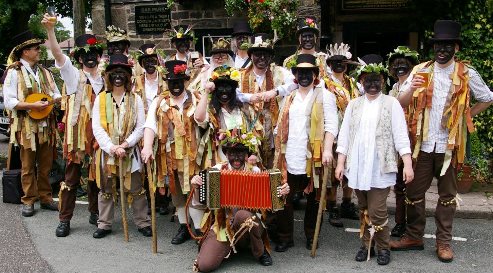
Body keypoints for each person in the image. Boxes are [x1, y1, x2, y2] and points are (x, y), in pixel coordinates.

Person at [390, 20, 493, 263]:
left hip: (449, 146)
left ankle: (443, 242)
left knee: (447, 196)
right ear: (433, 47)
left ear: (456, 48)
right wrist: (409, 88)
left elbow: (488, 98)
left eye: (447, 45)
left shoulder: (467, 73)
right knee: (413, 192)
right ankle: (414, 236)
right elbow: (399, 105)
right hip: (423, 145)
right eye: (438, 45)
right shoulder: (420, 70)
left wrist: (465, 115)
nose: (442, 50)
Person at [334, 55, 414, 265]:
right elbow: (344, 136)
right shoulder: (353, 104)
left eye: (376, 80)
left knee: (377, 211)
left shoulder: (392, 103)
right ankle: (365, 245)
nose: (372, 84)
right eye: (367, 80)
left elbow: (400, 135)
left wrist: (407, 164)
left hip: (380, 168)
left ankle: (383, 247)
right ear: (361, 81)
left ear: (383, 80)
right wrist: (341, 163)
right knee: (363, 209)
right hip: (358, 167)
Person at [191, 130, 290, 272]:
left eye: (240, 154)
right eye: (232, 153)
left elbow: (274, 204)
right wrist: (196, 187)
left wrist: (282, 193)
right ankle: (232, 246)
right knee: (205, 266)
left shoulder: (256, 172)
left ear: (246, 155)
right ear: (226, 154)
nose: (236, 158)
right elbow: (200, 203)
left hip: (250, 223)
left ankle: (260, 251)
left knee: (243, 215)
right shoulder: (216, 171)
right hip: (223, 225)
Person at [42, 15, 105, 237]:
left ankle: (95, 212)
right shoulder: (72, 75)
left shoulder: (105, 79)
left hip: (98, 136)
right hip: (77, 136)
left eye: (93, 55)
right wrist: (51, 31)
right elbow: (58, 55)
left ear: (99, 56)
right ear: (79, 59)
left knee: (96, 176)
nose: (90, 58)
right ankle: (64, 219)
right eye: (85, 55)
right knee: (70, 178)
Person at [273, 54, 338, 252]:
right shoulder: (289, 97)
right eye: (300, 72)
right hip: (290, 154)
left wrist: (327, 149)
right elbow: (279, 126)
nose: (304, 76)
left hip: (314, 156)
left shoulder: (325, 95)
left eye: (308, 72)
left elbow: (331, 125)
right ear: (295, 75)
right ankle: (285, 237)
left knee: (314, 199)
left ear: (314, 74)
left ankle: (312, 235)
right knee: (284, 196)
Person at [141, 60, 205, 244]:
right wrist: (146, 146)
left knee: (196, 191)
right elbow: (150, 126)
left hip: (194, 156)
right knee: (177, 193)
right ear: (166, 83)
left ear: (186, 81)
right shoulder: (159, 101)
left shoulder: (196, 98)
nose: (176, 86)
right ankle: (184, 227)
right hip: (170, 156)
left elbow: (205, 122)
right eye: (172, 83)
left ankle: (199, 230)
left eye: (179, 82)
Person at [91, 54, 151, 239]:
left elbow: (140, 127)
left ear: (128, 76)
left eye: (122, 72)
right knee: (106, 188)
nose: (118, 76)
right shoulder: (101, 99)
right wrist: (111, 147)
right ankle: (104, 224)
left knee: (136, 187)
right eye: (114, 72)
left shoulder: (136, 100)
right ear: (108, 76)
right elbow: (97, 127)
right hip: (108, 152)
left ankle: (142, 222)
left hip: (129, 152)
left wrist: (125, 145)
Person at [3, 30, 60, 217]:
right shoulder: (13, 72)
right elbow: (10, 101)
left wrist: (52, 102)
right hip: (25, 126)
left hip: (46, 125)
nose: (38, 51)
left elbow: (56, 93)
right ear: (25, 51)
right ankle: (28, 200)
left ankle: (46, 197)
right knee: (27, 165)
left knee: (45, 165)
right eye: (35, 49)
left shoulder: (45, 71)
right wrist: (31, 105)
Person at [238, 33, 296, 169]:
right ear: (251, 56)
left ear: (270, 56)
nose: (262, 58)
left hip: (273, 127)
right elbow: (231, 92)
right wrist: (248, 97)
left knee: (272, 166)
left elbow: (295, 83)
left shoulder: (280, 72)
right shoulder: (240, 74)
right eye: (258, 54)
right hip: (249, 130)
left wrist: (275, 92)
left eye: (266, 54)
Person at [194, 64, 263, 169]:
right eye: (220, 87)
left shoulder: (245, 109)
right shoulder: (211, 111)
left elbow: (255, 134)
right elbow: (199, 117)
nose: (224, 90)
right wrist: (206, 92)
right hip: (219, 160)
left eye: (228, 87)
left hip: (244, 162)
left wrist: (253, 153)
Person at [323, 43, 360, 227]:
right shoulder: (324, 83)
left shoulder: (353, 83)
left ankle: (347, 203)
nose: (339, 65)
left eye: (342, 62)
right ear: (329, 64)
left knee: (349, 170)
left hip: (351, 133)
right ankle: (332, 206)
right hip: (333, 133)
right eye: (335, 62)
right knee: (332, 173)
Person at [386, 46, 419, 237]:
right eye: (396, 64)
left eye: (404, 64)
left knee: (412, 186)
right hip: (398, 142)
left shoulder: (418, 84)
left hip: (415, 141)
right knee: (399, 185)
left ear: (412, 66)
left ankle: (413, 226)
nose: (400, 67)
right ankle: (400, 222)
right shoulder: (393, 89)